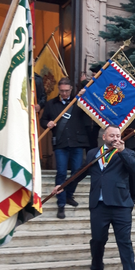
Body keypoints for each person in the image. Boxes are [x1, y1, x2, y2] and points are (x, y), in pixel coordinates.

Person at [74, 124, 135, 270]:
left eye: (118, 135)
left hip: (121, 205)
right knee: (98, 240)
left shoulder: (127, 153)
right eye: (112, 136)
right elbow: (80, 173)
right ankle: (97, 268)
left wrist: (123, 151)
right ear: (104, 137)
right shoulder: (93, 154)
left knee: (124, 242)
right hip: (99, 205)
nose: (115, 138)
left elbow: (134, 169)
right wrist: (62, 187)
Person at [43, 76, 95, 219]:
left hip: (77, 142)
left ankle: (68, 195)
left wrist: (85, 95)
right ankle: (61, 204)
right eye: (62, 91)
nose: (64, 94)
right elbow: (43, 120)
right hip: (60, 143)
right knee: (61, 172)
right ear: (59, 90)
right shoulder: (51, 104)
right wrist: (48, 124)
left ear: (71, 89)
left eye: (67, 91)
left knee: (77, 173)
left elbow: (93, 109)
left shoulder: (79, 102)